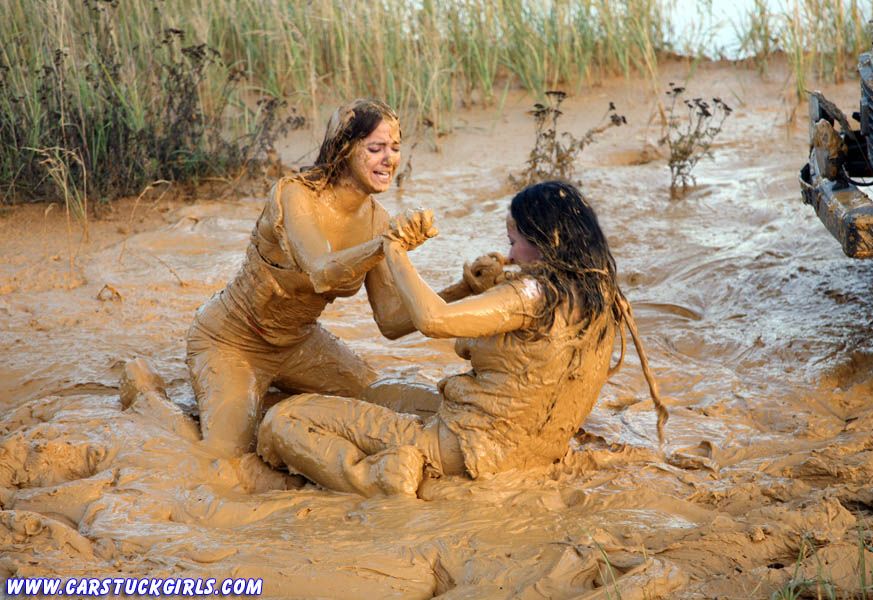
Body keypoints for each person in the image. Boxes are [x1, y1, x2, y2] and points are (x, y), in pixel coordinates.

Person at [256, 180, 668, 497]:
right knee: (381, 392)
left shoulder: (529, 295)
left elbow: (433, 320)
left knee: (284, 420)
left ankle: (378, 479)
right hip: (534, 453)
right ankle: (393, 461)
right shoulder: (604, 296)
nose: (507, 257)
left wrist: (394, 250)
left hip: (469, 450)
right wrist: (469, 287)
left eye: (514, 243)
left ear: (548, 241)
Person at [184, 99, 487, 457]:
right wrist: (387, 244)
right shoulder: (294, 193)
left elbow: (391, 321)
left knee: (380, 397)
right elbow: (320, 270)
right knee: (227, 456)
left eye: (395, 148)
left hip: (299, 344)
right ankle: (144, 392)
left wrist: (464, 288)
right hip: (231, 340)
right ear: (343, 150)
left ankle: (268, 395)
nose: (389, 159)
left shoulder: (377, 219)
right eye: (375, 148)